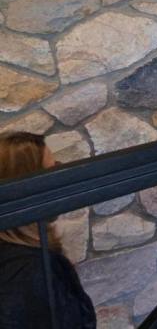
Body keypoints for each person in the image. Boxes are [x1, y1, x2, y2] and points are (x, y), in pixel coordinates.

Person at [0, 132, 96, 328]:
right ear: (26, 189)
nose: (59, 178)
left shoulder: (23, 256)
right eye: (52, 169)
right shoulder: (29, 269)